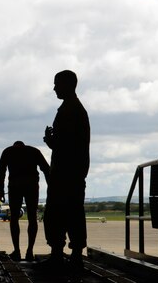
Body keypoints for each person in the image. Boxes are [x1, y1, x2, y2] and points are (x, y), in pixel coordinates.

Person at [41, 70, 90, 273]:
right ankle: (71, 257)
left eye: (56, 84)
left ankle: (59, 257)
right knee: (72, 214)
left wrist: (51, 141)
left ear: (67, 85)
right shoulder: (73, 109)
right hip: (71, 173)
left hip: (65, 174)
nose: (54, 88)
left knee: (58, 214)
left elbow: (66, 146)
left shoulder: (70, 110)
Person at [0, 140, 50, 262]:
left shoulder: (8, 151)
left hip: (15, 186)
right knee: (32, 218)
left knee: (14, 218)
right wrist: (50, 187)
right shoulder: (34, 151)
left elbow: (1, 172)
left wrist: (0, 190)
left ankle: (17, 251)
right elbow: (46, 169)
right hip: (32, 185)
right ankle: (30, 251)